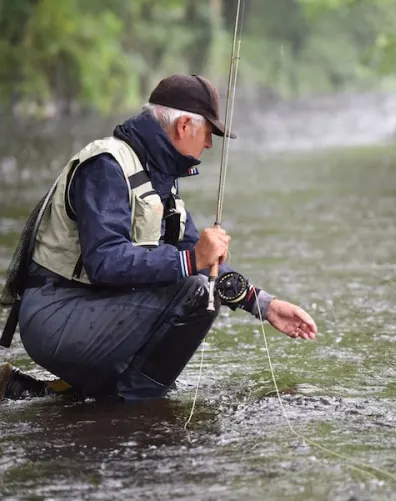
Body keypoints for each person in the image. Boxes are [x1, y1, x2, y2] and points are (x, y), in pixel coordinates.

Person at [0, 74, 317, 401]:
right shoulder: (107, 166)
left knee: (196, 285)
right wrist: (192, 259)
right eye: (208, 134)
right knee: (197, 294)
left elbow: (198, 261)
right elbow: (105, 263)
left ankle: (41, 393)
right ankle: (131, 405)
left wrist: (264, 304)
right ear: (184, 126)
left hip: (92, 310)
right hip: (55, 316)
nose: (209, 144)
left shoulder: (159, 178)